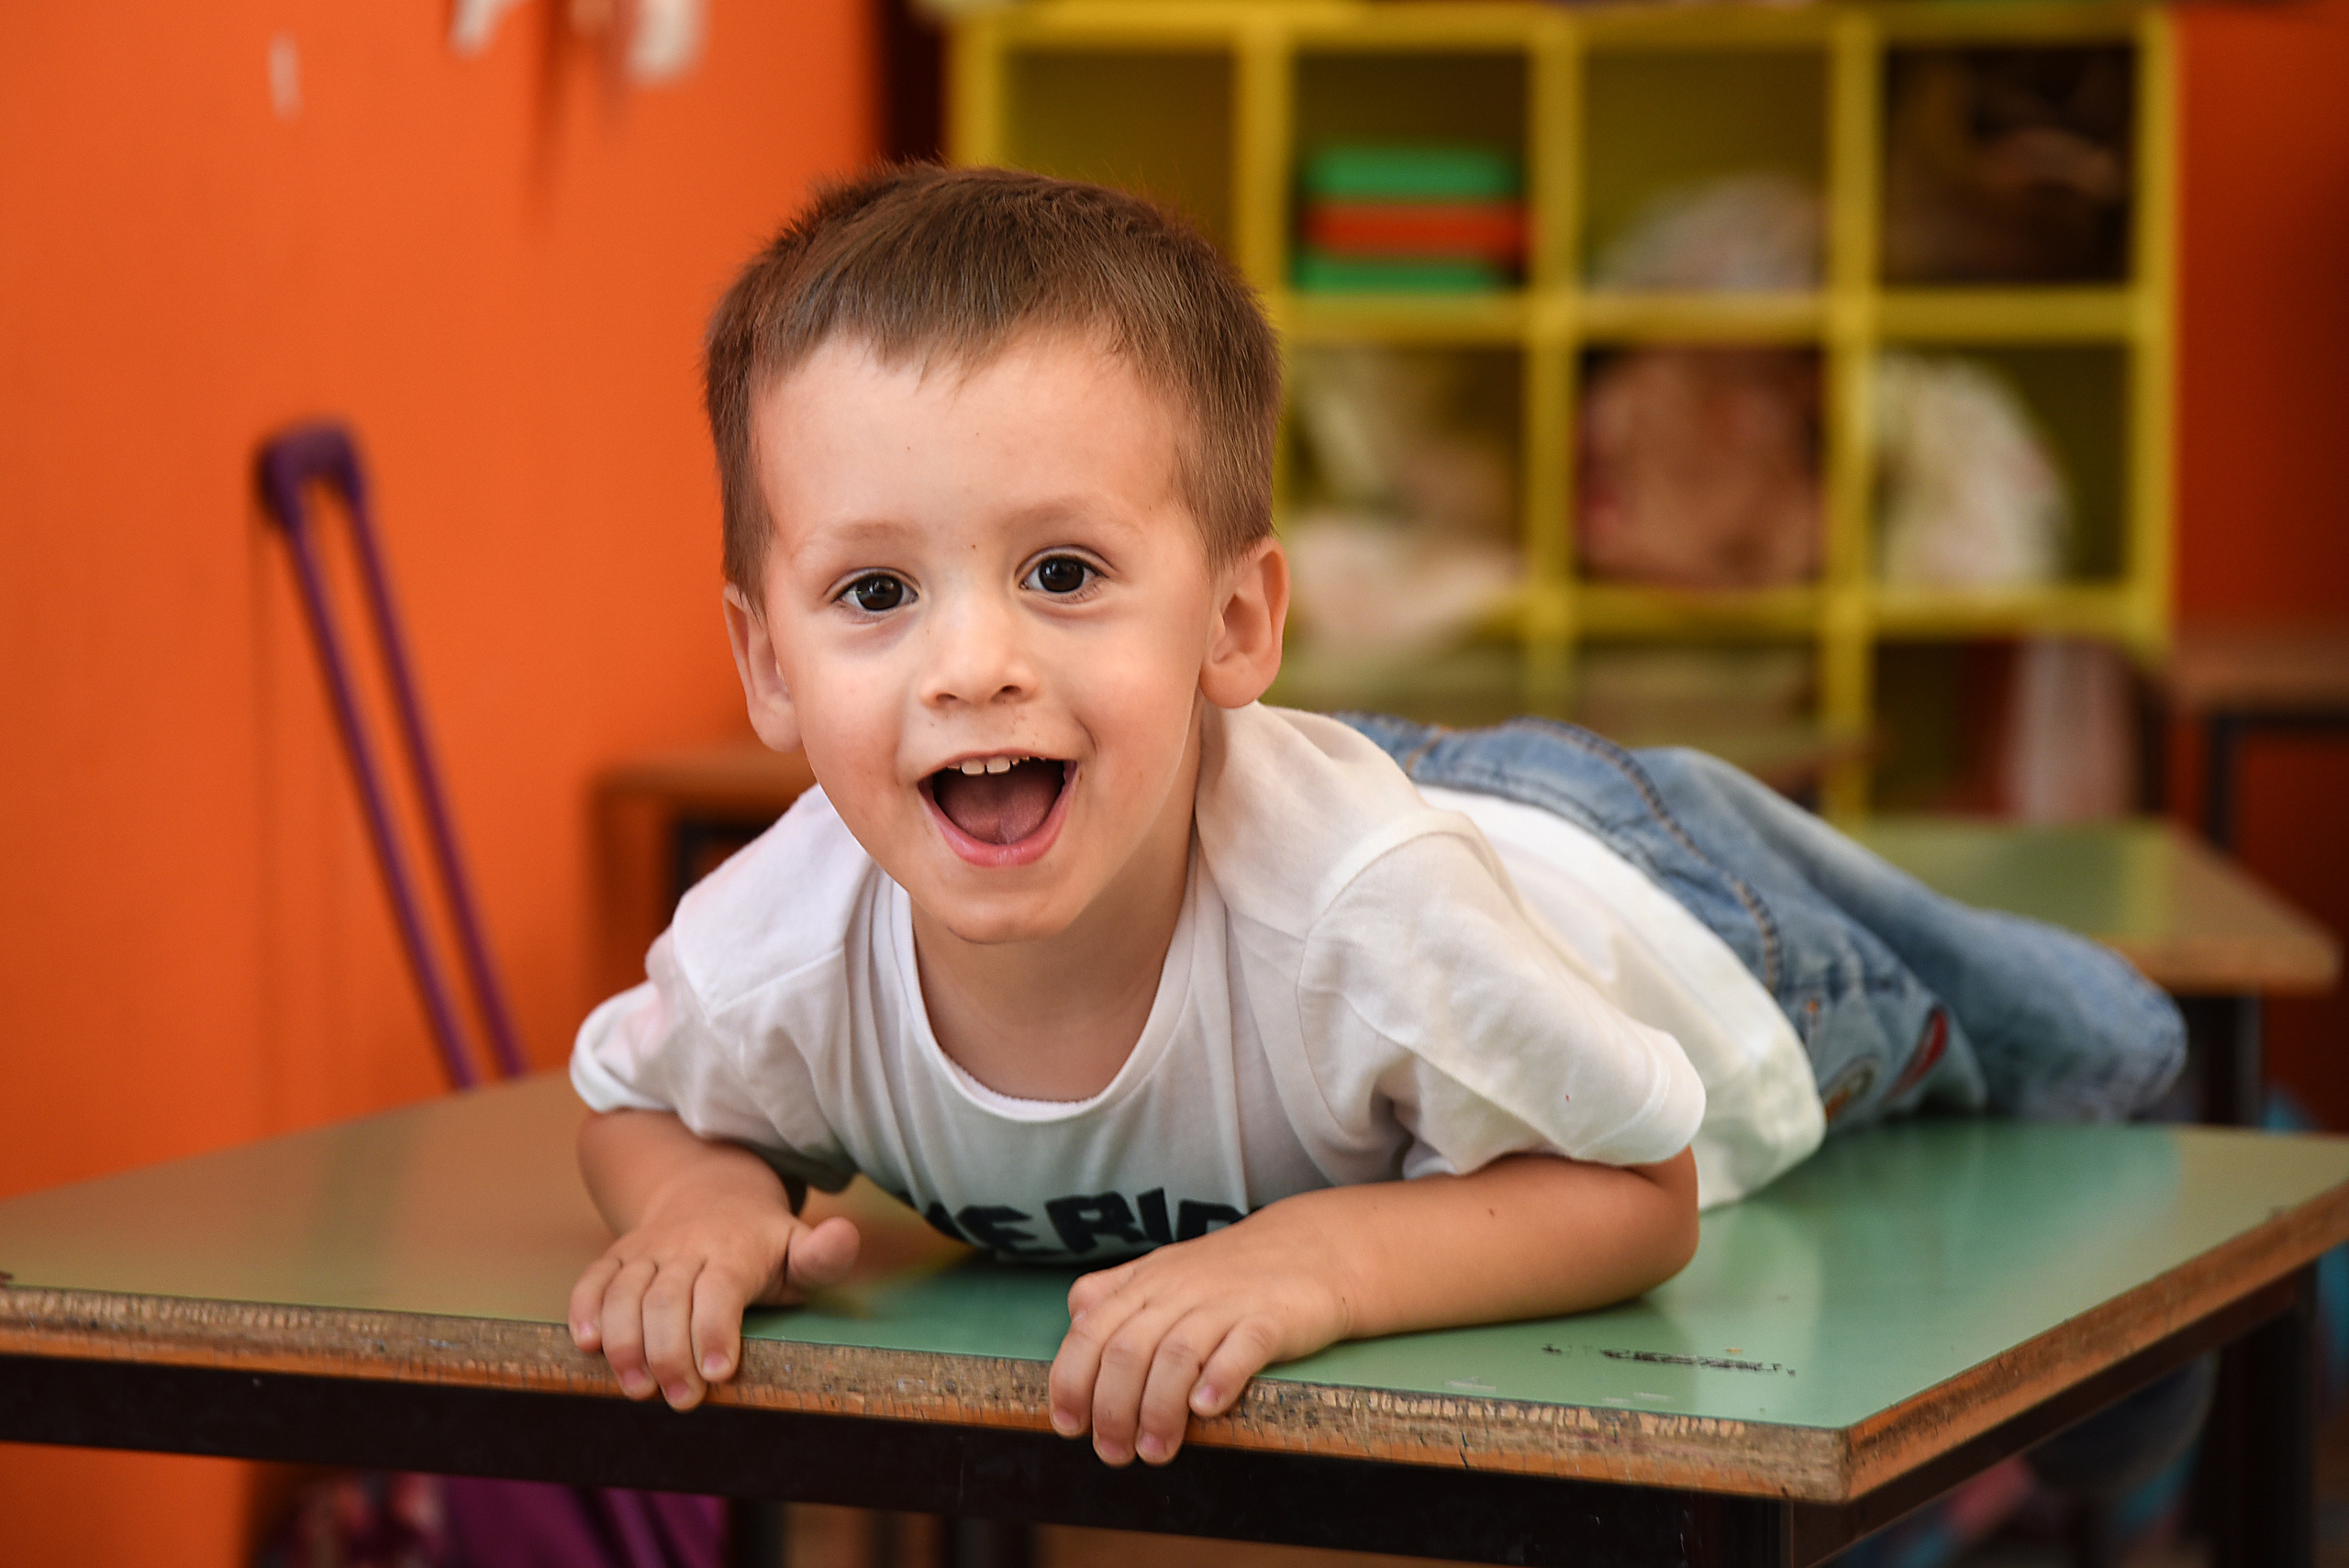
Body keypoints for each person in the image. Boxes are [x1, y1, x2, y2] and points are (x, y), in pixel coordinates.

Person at [566, 165, 2182, 1470]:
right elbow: (632, 1097)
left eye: (1063, 574)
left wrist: (1315, 1262)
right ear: (767, 662)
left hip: (1637, 908)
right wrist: (704, 1202)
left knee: (2065, 1080)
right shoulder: (782, 939)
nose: (972, 664)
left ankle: (2155, 1088)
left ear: (1236, 625)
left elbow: (1642, 1185)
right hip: (1269, 806)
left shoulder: (1373, 916)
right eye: (875, 591)